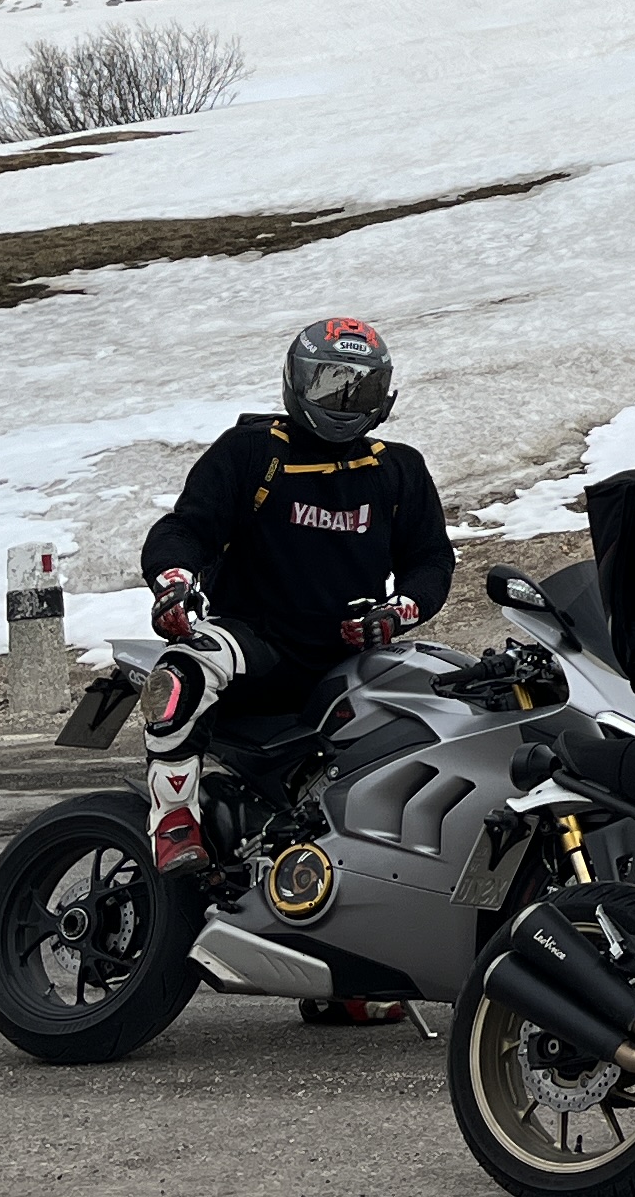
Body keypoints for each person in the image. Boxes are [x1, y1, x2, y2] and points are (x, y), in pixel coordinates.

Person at [136, 316, 455, 882]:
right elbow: (185, 529)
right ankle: (174, 819)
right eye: (331, 384)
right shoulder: (252, 451)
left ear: (385, 396)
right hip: (258, 642)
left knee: (455, 699)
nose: (346, 402)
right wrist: (175, 580)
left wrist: (399, 610)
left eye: (362, 388)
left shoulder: (397, 468)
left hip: (353, 654)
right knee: (186, 666)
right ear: (296, 381)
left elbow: (431, 560)